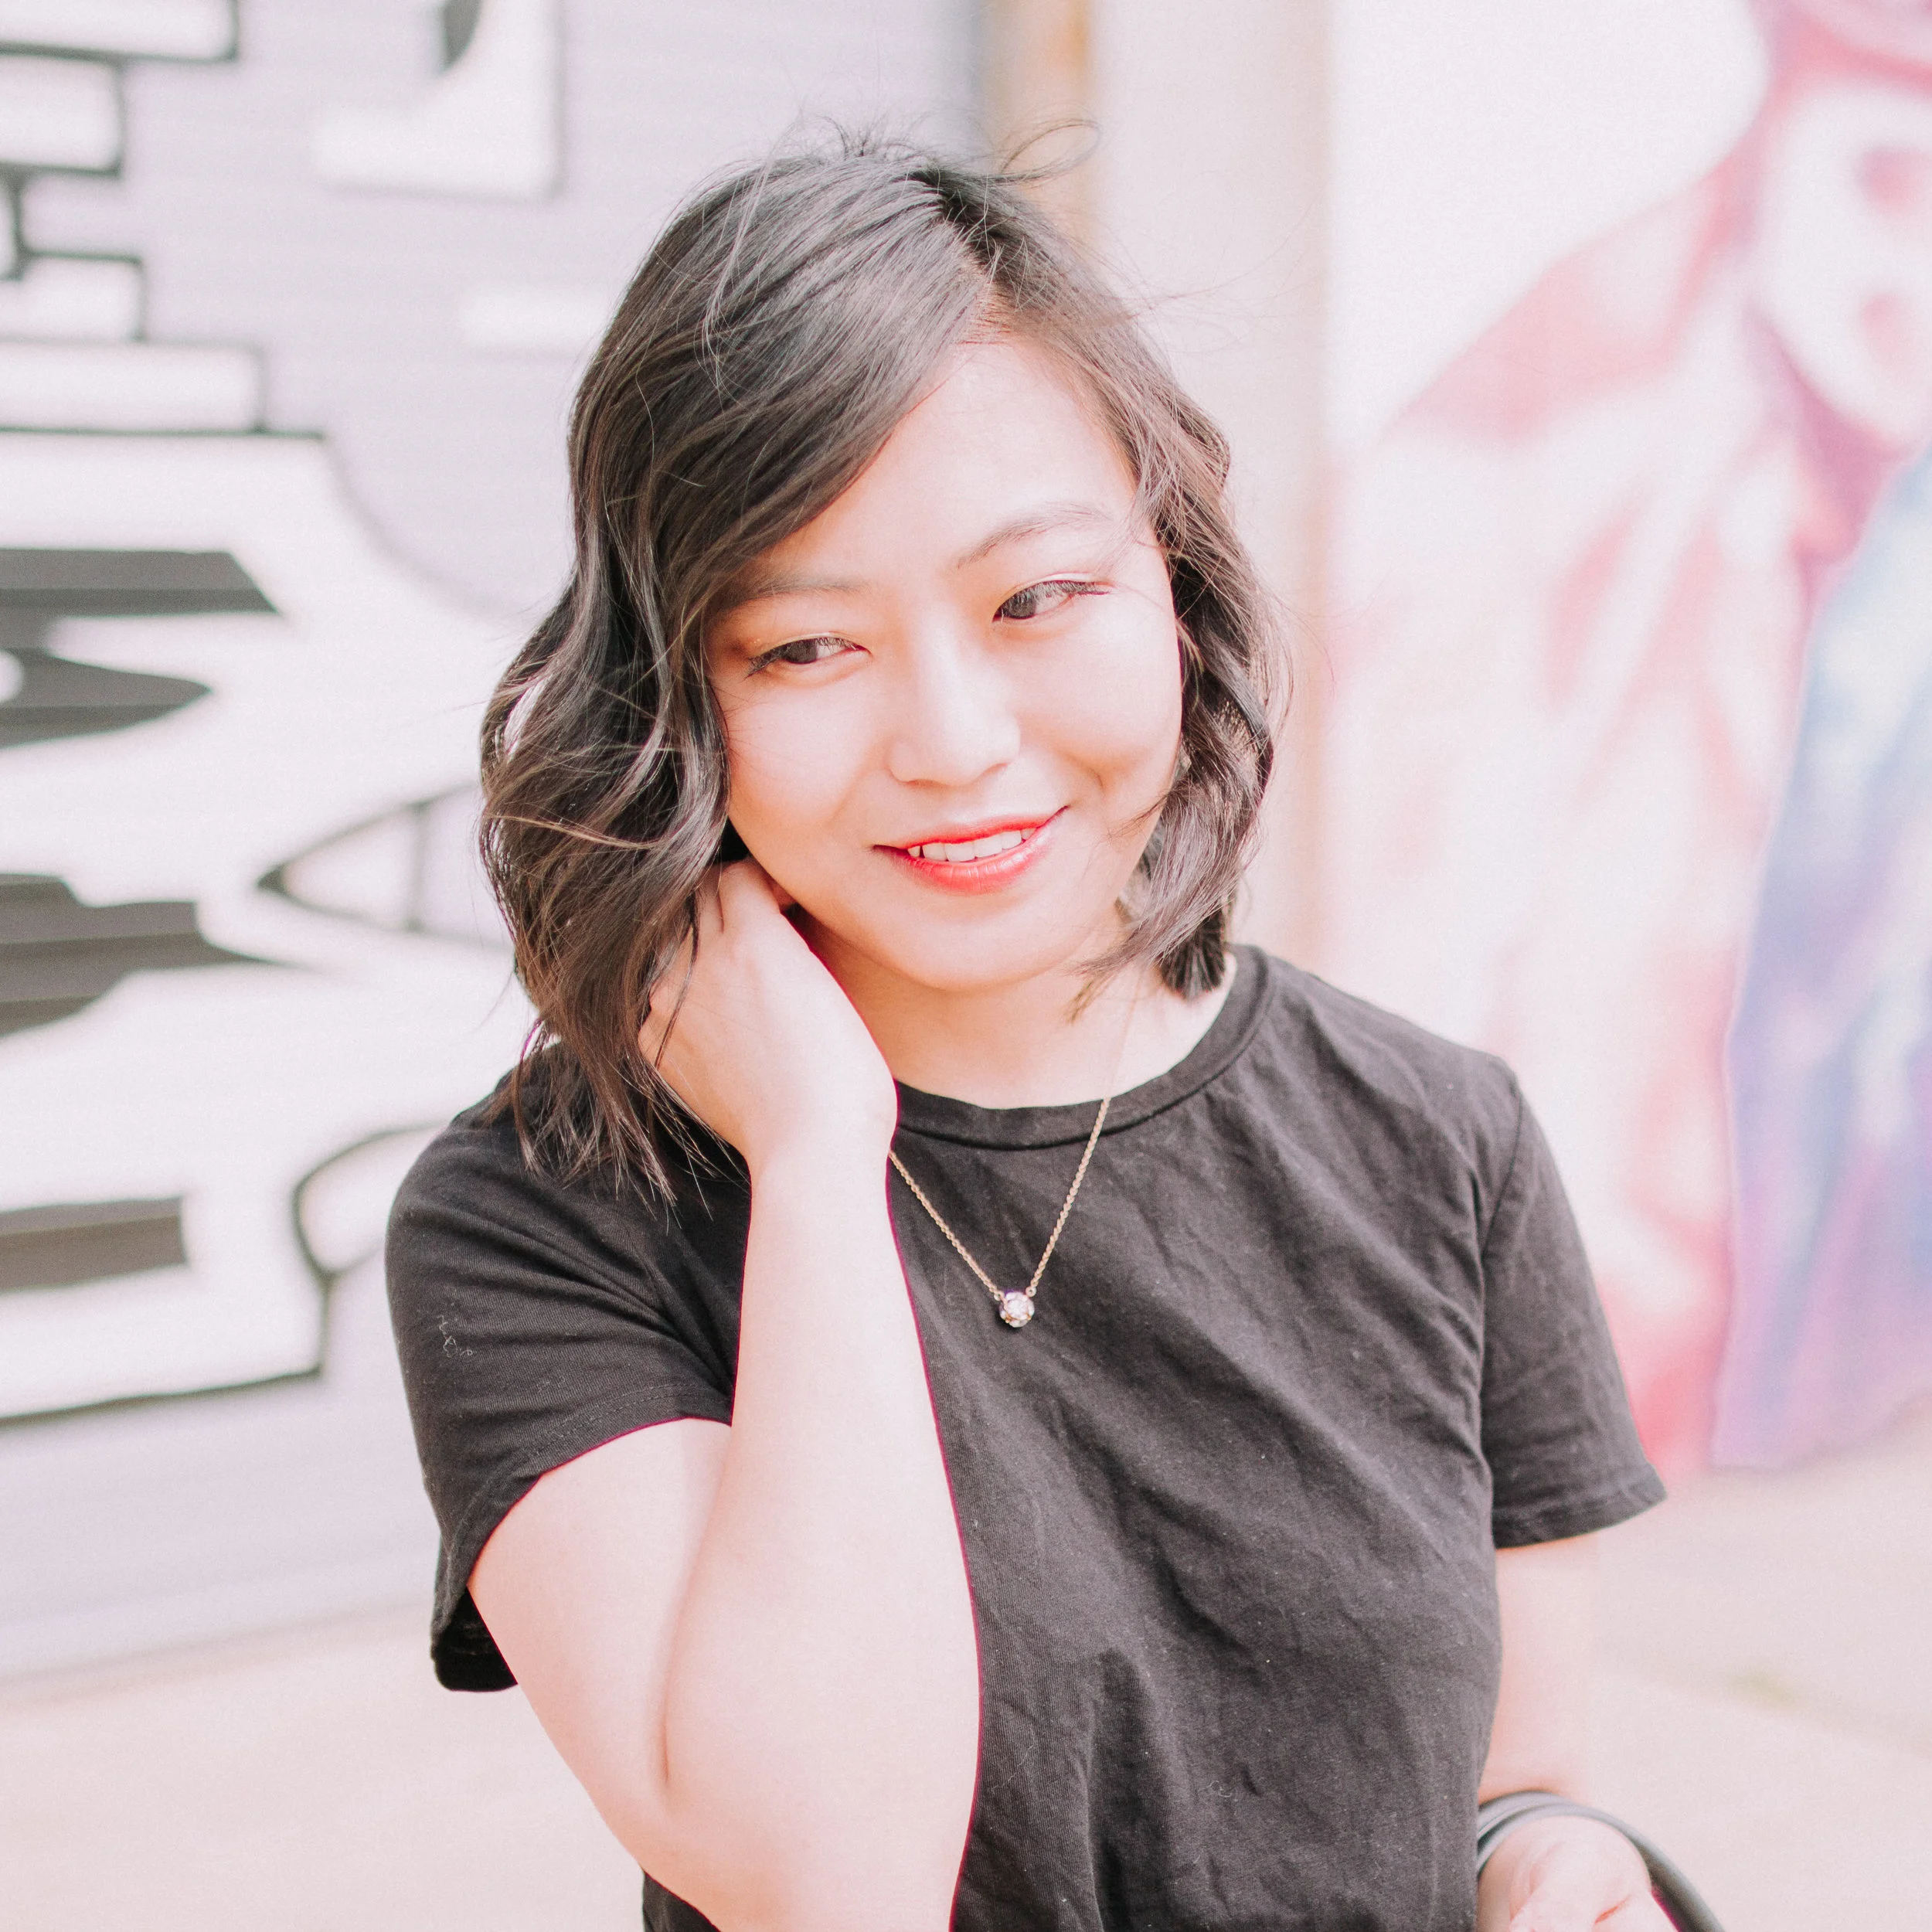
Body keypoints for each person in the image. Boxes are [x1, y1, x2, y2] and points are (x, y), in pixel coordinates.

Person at [386, 137, 1669, 1932]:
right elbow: (821, 1881)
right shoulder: (545, 1212)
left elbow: (1504, 1784)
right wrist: (817, 1153)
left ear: (1173, 585)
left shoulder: (1437, 1138)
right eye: (803, 647)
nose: (953, 736)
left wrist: (1553, 1858)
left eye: (1034, 598)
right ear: (673, 695)